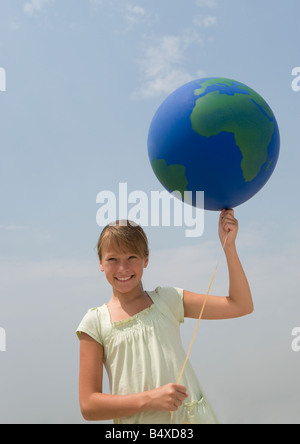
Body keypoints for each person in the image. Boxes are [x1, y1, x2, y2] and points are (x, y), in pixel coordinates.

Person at [76, 209, 253, 424]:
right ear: (100, 262)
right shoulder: (94, 322)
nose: (122, 268)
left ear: (146, 258)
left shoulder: (168, 299)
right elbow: (89, 406)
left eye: (132, 257)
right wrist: (151, 399)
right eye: (112, 259)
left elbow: (240, 305)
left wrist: (229, 247)